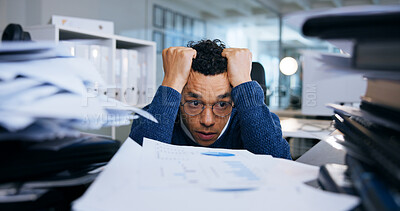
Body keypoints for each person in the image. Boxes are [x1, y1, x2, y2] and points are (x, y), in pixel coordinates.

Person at [129, 39, 291, 159]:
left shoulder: (260, 121)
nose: (207, 121)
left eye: (222, 104)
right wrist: (171, 82)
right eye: (194, 103)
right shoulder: (151, 118)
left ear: (234, 100)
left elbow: (279, 166)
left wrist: (243, 82)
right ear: (178, 98)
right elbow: (136, 166)